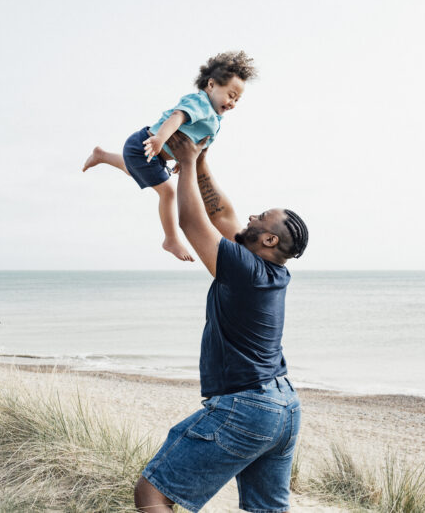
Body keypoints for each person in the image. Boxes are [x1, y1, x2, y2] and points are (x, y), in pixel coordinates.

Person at [134, 131, 309, 513]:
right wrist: (200, 160)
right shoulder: (269, 268)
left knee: (152, 493)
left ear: (266, 239)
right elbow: (221, 214)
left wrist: (187, 164)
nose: (250, 215)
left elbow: (191, 221)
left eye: (260, 217)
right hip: (284, 408)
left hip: (249, 406)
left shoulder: (244, 269)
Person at [82, 51, 256, 262]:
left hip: (155, 156)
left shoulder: (215, 118)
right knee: (168, 192)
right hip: (145, 144)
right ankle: (171, 239)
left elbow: (196, 144)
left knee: (136, 170)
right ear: (211, 85)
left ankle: (102, 155)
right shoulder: (200, 103)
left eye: (237, 99)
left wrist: (184, 163)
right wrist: (160, 139)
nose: (233, 103)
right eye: (230, 95)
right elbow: (177, 116)